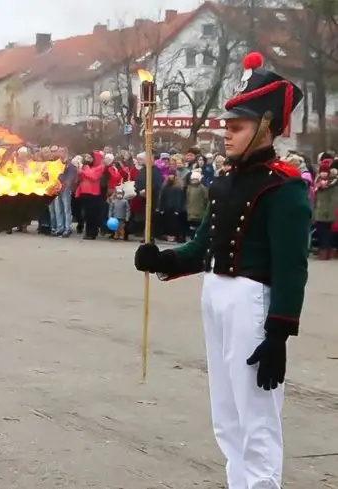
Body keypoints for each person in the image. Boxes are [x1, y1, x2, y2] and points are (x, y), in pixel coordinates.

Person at [134, 52, 309, 489]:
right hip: (216, 295)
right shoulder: (226, 181)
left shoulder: (283, 187)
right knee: (226, 416)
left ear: (265, 127)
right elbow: (204, 246)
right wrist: (164, 260)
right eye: (226, 126)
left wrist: (279, 333)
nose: (226, 134)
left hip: (252, 301)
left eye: (237, 127)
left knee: (256, 416)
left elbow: (292, 267)